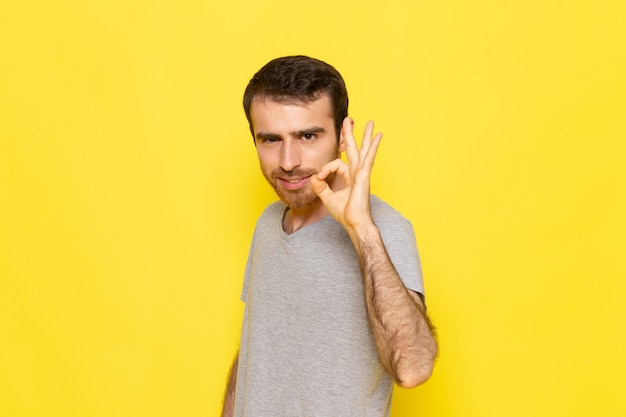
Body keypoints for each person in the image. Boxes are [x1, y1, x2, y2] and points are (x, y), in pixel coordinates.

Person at [222, 55, 437, 417]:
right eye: (271, 139)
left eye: (307, 136)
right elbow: (257, 351)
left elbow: (413, 369)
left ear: (342, 135)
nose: (288, 161)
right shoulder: (268, 222)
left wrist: (361, 229)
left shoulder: (384, 230)